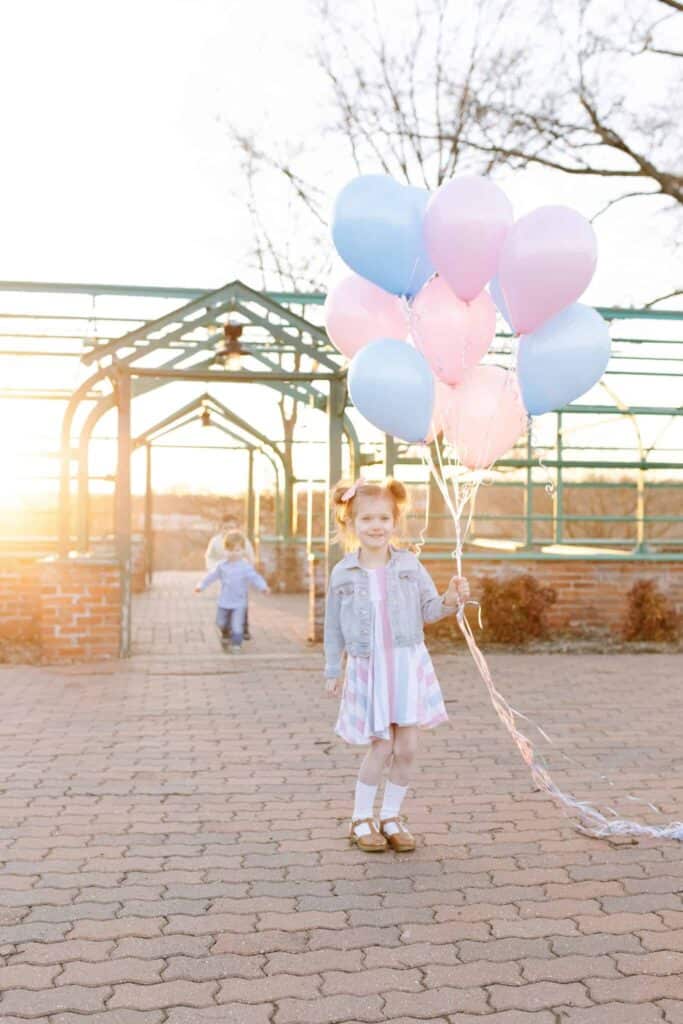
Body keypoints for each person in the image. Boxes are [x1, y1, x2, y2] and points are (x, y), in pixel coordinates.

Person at [324, 477, 470, 854]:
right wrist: (332, 668)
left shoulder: (408, 564)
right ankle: (360, 818)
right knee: (381, 746)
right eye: (367, 519)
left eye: (384, 518)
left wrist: (451, 598)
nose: (376, 526)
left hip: (406, 663)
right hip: (370, 667)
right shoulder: (344, 573)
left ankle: (390, 816)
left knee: (407, 748)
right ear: (351, 524)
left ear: (394, 521)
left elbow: (429, 610)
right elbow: (332, 626)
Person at [194, 530, 269, 653]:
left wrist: (263, 587)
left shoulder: (245, 567)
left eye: (237, 550)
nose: (234, 553)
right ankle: (225, 632)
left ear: (243, 551)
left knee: (237, 625)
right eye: (230, 550)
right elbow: (211, 576)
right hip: (224, 601)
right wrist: (201, 585)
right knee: (220, 622)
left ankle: (236, 644)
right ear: (224, 550)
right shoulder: (222, 566)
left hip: (239, 602)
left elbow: (255, 577)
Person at [205, 516, 256, 640]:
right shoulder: (215, 541)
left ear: (237, 529)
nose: (228, 530)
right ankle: (226, 629)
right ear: (220, 528)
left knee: (242, 603)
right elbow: (209, 557)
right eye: (226, 528)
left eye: (232, 528)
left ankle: (244, 629)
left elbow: (250, 556)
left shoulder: (243, 541)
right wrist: (214, 569)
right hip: (224, 578)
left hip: (239, 577)